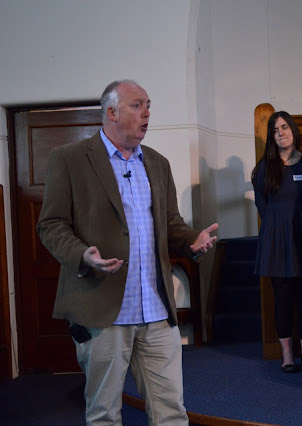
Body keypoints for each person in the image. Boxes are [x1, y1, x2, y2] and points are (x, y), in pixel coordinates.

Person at [37, 80, 219, 425]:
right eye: (137, 106)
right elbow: (51, 224)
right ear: (111, 112)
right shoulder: (69, 159)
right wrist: (82, 255)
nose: (146, 113)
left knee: (172, 412)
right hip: (102, 308)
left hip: (155, 308)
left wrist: (191, 240)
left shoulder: (157, 163)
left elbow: (170, 224)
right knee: (104, 414)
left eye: (148, 105)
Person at [252, 111, 302, 373]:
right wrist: (276, 227)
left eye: (284, 127)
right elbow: (262, 204)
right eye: (275, 130)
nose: (281, 133)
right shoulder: (264, 167)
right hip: (276, 239)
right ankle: (287, 357)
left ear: (293, 130)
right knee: (282, 298)